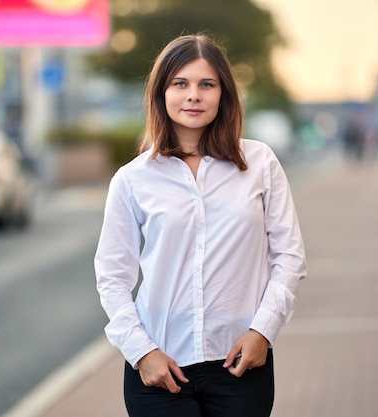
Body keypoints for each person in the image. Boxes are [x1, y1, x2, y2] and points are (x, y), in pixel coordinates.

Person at [94, 34, 307, 417]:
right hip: (159, 370)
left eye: (206, 84)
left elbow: (290, 257)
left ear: (223, 94)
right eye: (180, 84)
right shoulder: (132, 179)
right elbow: (112, 276)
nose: (193, 95)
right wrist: (141, 353)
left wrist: (263, 331)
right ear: (161, 93)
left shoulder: (260, 163)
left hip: (240, 365)